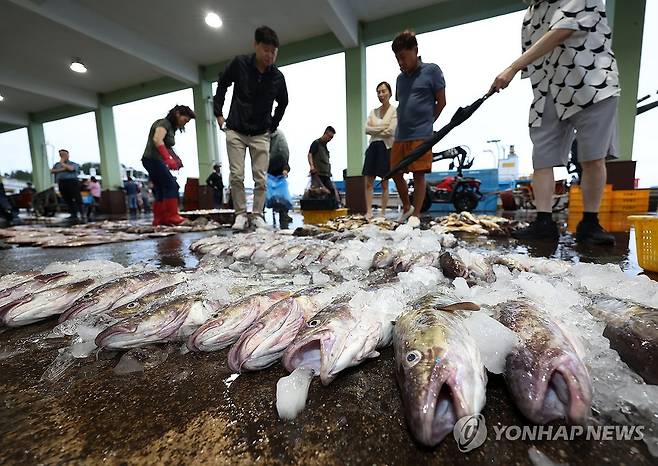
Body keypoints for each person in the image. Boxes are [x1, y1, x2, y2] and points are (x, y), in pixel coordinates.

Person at [491, 0, 618, 246]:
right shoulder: (531, 13)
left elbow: (563, 29)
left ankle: (590, 223)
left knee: (592, 156)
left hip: (593, 82)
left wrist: (512, 67)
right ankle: (543, 222)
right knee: (542, 157)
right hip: (548, 88)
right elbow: (536, 59)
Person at [214, 25, 289, 231]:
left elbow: (283, 102)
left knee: (260, 177)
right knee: (236, 174)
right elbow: (222, 83)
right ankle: (240, 214)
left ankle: (257, 215)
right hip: (236, 129)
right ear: (256, 45)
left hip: (261, 133)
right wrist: (218, 114)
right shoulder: (240, 64)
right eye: (266, 50)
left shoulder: (277, 77)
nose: (270, 55)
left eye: (274, 51)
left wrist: (272, 126)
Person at [390, 31, 446, 227]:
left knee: (419, 174)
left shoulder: (432, 71)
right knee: (394, 172)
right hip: (400, 135)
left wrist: (428, 124)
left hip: (421, 134)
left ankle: (417, 215)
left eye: (403, 57)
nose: (400, 62)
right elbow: (403, 104)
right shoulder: (399, 79)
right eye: (397, 58)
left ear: (415, 51)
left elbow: (442, 102)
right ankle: (407, 207)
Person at [141, 104, 195, 226]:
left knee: (160, 188)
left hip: (152, 160)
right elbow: (157, 139)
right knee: (172, 186)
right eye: (185, 120)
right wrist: (167, 158)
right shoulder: (164, 123)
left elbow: (167, 146)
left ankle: (159, 219)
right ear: (177, 114)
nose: (185, 123)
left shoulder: (171, 128)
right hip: (152, 159)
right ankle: (172, 216)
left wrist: (176, 158)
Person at [363, 81, 397, 218]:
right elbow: (366, 129)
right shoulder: (373, 112)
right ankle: (369, 211)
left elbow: (391, 131)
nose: (381, 94)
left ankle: (382, 212)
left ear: (389, 92)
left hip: (386, 148)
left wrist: (375, 130)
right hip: (373, 147)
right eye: (379, 92)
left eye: (383, 91)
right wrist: (382, 128)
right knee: (368, 182)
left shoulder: (394, 110)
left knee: (384, 182)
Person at [308, 126, 340, 206]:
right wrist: (311, 166)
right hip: (318, 175)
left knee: (332, 192)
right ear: (325, 133)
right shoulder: (316, 143)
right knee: (318, 193)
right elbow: (310, 154)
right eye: (329, 136)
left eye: (331, 138)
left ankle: (330, 210)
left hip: (326, 174)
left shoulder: (325, 147)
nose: (330, 139)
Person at [267, 129, 292, 228]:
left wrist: (285, 171)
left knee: (282, 199)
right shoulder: (268, 155)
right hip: (270, 176)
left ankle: (284, 216)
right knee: (273, 198)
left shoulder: (282, 156)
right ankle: (276, 217)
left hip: (280, 176)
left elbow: (286, 165)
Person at [50, 149, 83, 221]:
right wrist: (64, 169)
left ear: (68, 155)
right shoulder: (56, 164)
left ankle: (82, 214)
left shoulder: (73, 163)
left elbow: (71, 169)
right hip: (62, 182)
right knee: (67, 199)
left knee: (77, 198)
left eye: (64, 154)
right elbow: (52, 171)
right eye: (61, 155)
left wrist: (63, 163)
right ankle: (73, 215)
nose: (62, 156)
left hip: (72, 182)